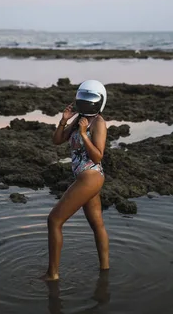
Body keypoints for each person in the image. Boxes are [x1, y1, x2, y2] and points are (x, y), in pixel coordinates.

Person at [43, 80, 109, 281]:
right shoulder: (79, 118)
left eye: (89, 98)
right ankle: (105, 269)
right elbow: (57, 140)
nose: (85, 102)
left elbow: (98, 156)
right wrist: (64, 120)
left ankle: (52, 274)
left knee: (54, 220)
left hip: (91, 176)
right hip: (86, 177)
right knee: (97, 224)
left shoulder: (98, 123)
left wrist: (83, 134)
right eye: (83, 97)